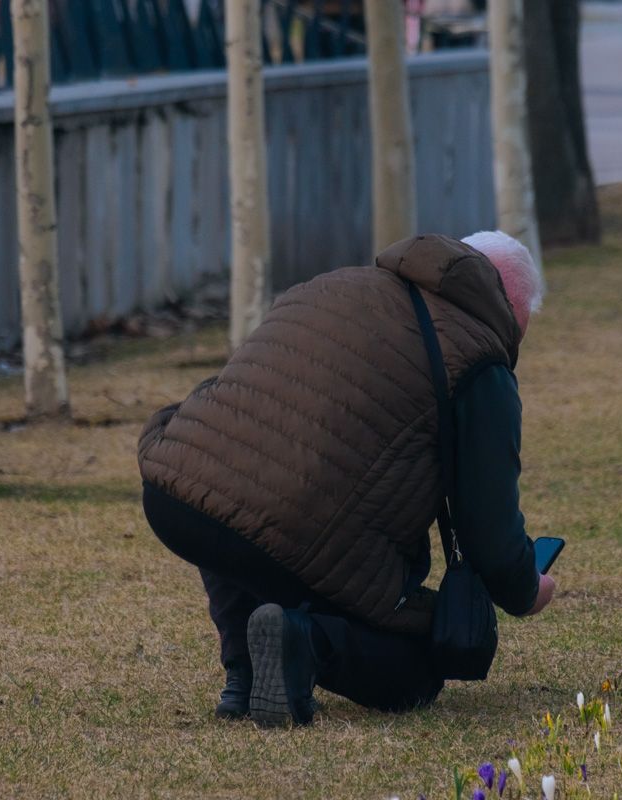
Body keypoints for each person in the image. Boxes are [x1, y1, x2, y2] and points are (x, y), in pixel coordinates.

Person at [138, 232, 555, 726]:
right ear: (508, 297)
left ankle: (244, 677)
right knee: (416, 672)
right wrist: (527, 588)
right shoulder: (481, 358)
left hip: (177, 490)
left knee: (235, 489)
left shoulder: (336, 285)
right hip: (288, 528)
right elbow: (488, 525)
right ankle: (304, 641)